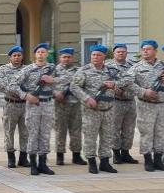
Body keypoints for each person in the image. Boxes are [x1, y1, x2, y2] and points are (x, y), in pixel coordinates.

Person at [126, 40, 164, 172]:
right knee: (147, 133)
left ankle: (158, 160)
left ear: (155, 51)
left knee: (161, 133)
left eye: (148, 49)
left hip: (163, 105)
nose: (145, 51)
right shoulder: (136, 68)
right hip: (146, 105)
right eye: (143, 49)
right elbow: (126, 83)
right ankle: (148, 160)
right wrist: (144, 92)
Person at [69, 44, 119, 173]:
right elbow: (74, 87)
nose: (95, 57)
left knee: (107, 136)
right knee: (91, 137)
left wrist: (115, 86)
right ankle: (91, 162)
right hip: (91, 110)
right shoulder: (84, 71)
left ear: (104, 57)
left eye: (98, 55)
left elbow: (122, 87)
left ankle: (105, 162)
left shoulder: (111, 71)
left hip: (109, 109)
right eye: (93, 55)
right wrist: (86, 98)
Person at [11, 43, 59, 175]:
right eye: (39, 52)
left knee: (45, 134)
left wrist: (53, 79)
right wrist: (25, 96)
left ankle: (43, 164)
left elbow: (68, 78)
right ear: (35, 54)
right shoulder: (27, 70)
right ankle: (33, 164)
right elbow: (12, 84)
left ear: (47, 54)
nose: (41, 54)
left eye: (43, 52)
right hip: (33, 105)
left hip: (48, 104)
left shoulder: (53, 68)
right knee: (32, 134)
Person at [0, 46, 28, 168]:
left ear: (22, 56)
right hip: (10, 104)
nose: (17, 58)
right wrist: (13, 90)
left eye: (19, 55)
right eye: (14, 55)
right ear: (10, 57)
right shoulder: (3, 69)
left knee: (25, 132)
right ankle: (11, 157)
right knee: (9, 132)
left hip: (25, 105)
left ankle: (23, 157)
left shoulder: (26, 69)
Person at [52, 47, 84, 166]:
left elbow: (81, 85)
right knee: (60, 130)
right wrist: (55, 93)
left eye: (69, 57)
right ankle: (59, 156)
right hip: (59, 105)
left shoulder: (78, 70)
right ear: (60, 58)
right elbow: (46, 85)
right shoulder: (53, 70)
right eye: (64, 57)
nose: (66, 59)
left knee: (76, 130)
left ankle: (76, 155)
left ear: (72, 58)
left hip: (75, 104)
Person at [108, 44, 138, 164]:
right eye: (118, 52)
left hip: (130, 102)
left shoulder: (132, 66)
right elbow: (103, 81)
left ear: (126, 53)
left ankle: (126, 153)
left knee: (129, 129)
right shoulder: (108, 66)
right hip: (115, 102)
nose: (121, 54)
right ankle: (116, 154)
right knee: (114, 128)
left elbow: (137, 80)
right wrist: (115, 89)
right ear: (114, 54)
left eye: (123, 52)